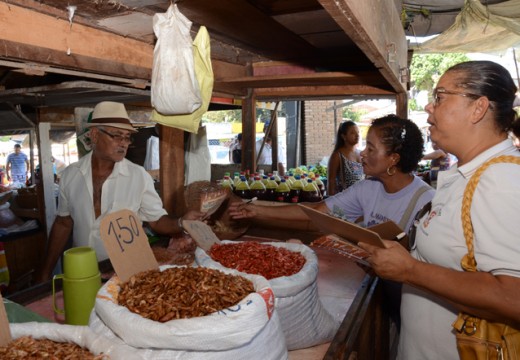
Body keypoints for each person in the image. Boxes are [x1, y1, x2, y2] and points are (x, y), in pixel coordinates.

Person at [358, 61, 520, 360]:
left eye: (441, 97)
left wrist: (410, 269)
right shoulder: (470, 173)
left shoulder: (501, 180)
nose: (430, 108)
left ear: (478, 108)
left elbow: (513, 297)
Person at [37, 101, 205, 282]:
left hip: (125, 273)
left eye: (127, 137)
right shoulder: (71, 175)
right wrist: (46, 271)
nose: (123, 143)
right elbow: (63, 223)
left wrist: (181, 222)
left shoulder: (138, 176)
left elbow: (156, 221)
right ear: (94, 135)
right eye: (116, 136)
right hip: (81, 272)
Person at [327, 120, 364, 195]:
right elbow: (331, 181)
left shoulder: (361, 154)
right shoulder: (338, 155)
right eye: (352, 133)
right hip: (345, 202)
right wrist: (332, 204)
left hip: (361, 200)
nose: (357, 135)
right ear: (344, 136)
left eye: (358, 132)